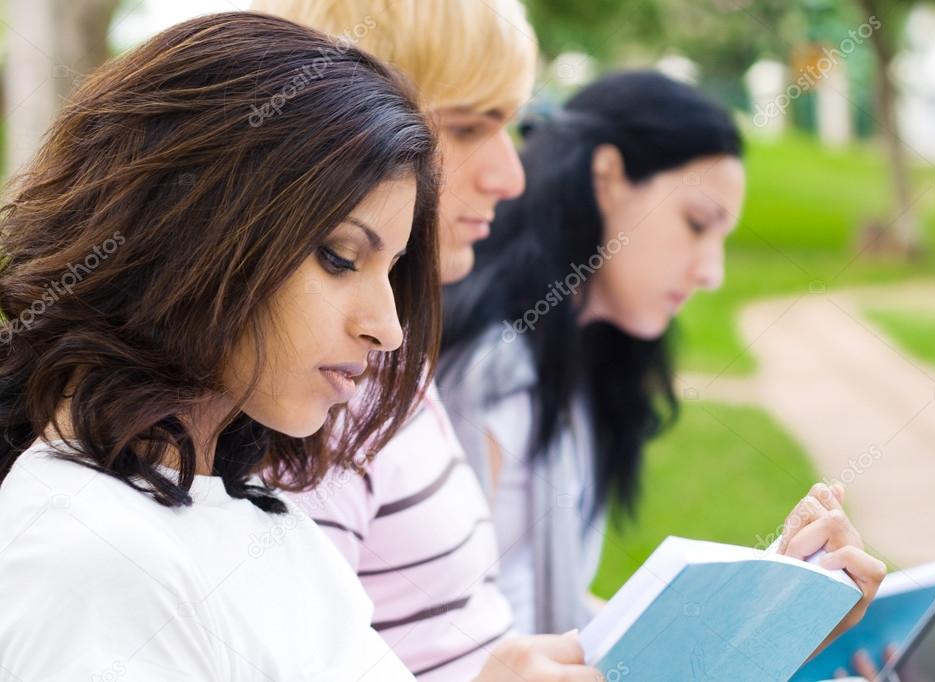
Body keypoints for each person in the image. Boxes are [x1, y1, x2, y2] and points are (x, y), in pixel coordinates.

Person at [0, 12, 567, 681]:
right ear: (189, 233)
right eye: (338, 258)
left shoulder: (263, 522)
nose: (386, 328)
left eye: (390, 270)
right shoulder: (94, 558)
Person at [439, 70, 886, 645]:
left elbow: (564, 621)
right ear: (606, 177)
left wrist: (777, 618)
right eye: (697, 224)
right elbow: (448, 645)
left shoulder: (585, 370)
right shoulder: (484, 379)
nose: (711, 271)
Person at [249, 2, 599, 680]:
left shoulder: (383, 356)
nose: (511, 176)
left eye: (512, 126)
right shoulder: (314, 389)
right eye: (467, 127)